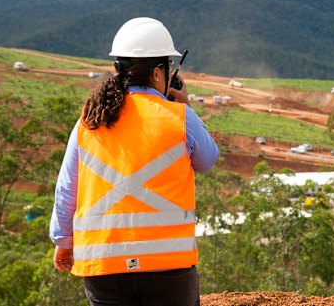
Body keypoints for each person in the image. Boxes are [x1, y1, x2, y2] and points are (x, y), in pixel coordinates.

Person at [49, 17, 219, 306]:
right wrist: (184, 106)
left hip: (104, 266)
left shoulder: (89, 121)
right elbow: (207, 160)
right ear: (158, 74)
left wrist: (64, 243)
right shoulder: (179, 118)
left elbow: (67, 189)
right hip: (169, 267)